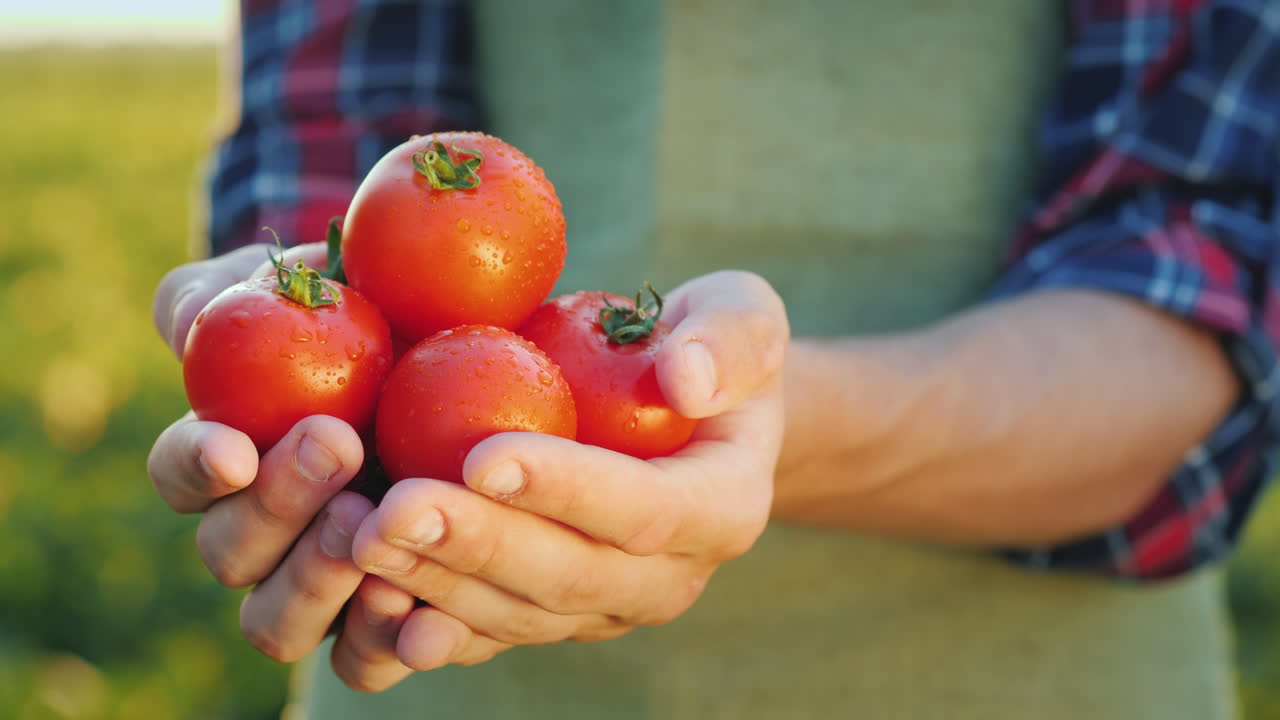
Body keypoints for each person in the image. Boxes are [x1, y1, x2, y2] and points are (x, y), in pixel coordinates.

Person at [148, 1, 1280, 717]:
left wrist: (765, 423)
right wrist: (281, 363)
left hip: (1030, 678)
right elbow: (332, 199)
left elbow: (1189, 294)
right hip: (437, 631)